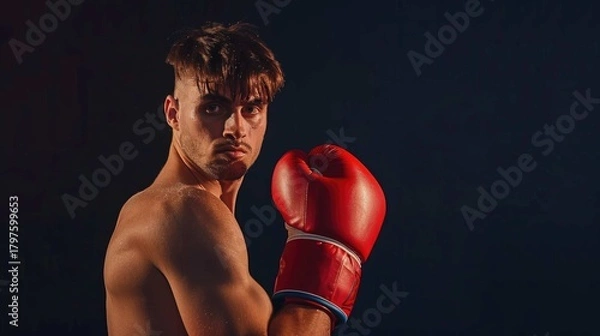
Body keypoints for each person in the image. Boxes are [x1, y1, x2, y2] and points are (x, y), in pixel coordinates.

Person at [103, 22, 386, 336]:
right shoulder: (182, 209)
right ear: (173, 114)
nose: (235, 128)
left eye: (251, 108)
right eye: (213, 107)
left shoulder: (175, 209)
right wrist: (327, 260)